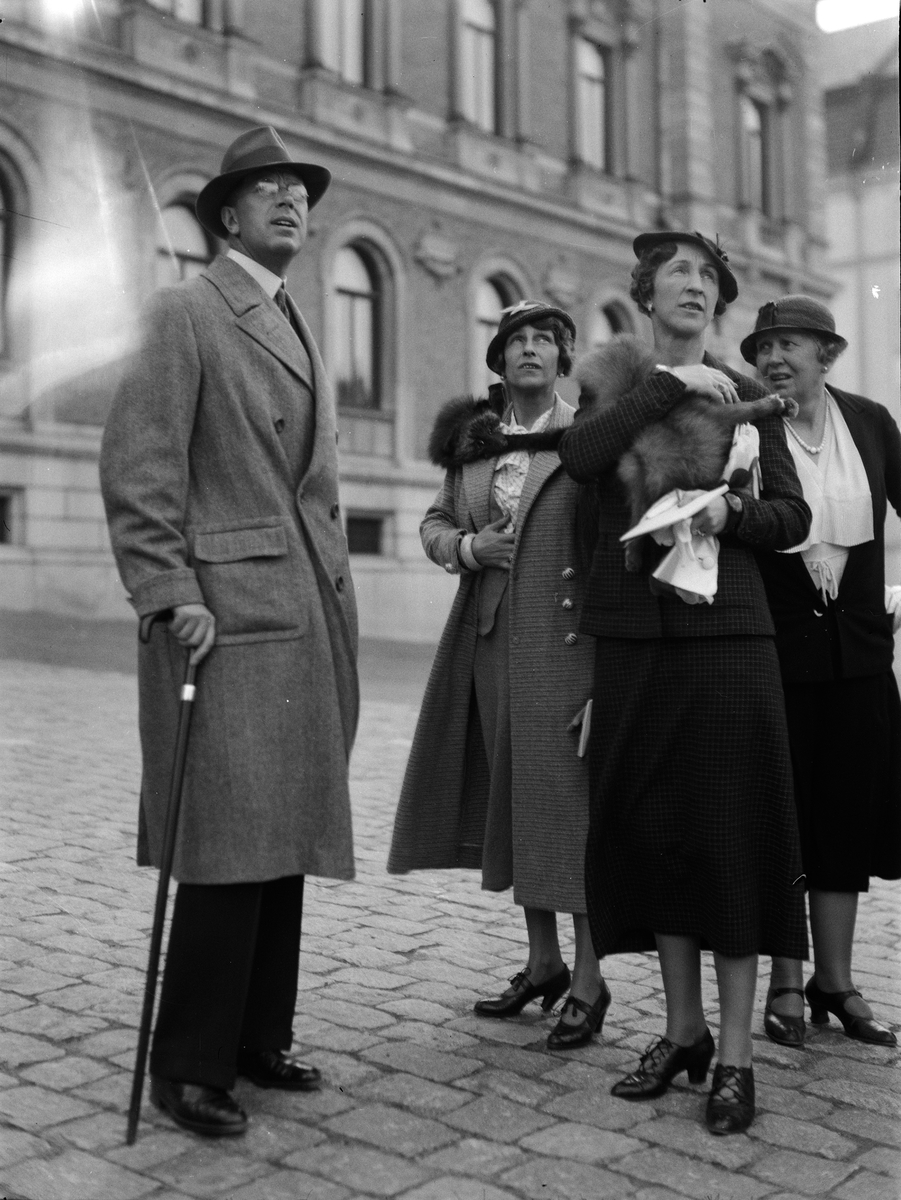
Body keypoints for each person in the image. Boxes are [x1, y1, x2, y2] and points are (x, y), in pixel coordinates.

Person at [100, 126, 358, 1137]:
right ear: (228, 216)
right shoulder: (186, 310)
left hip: (302, 613)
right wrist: (169, 590)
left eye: (300, 189)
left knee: (280, 834)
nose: (290, 200)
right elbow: (140, 467)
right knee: (227, 844)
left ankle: (258, 1037)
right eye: (268, 188)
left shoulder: (292, 317)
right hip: (226, 618)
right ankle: (188, 1066)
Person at [557, 233, 811, 1135]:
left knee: (729, 835)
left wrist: (727, 511)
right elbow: (580, 458)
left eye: (708, 277)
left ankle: (734, 1056)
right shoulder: (615, 388)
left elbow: (791, 516)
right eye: (678, 273)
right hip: (633, 641)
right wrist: (670, 386)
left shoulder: (750, 401)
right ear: (645, 293)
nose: (695, 285)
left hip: (727, 636)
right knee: (656, 829)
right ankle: (681, 1031)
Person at [389, 301, 608, 1049]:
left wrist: (607, 668)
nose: (530, 350)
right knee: (513, 802)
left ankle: (589, 980)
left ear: (563, 358)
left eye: (544, 340)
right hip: (490, 644)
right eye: (516, 340)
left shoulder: (588, 437)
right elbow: (433, 523)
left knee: (568, 811)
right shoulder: (475, 444)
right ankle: (543, 962)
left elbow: (612, 547)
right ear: (498, 359)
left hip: (568, 647)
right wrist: (468, 548)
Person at [740, 295, 900, 1048]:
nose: (773, 358)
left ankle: (833, 981)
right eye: (764, 346)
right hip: (772, 656)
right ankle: (783, 979)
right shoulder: (746, 428)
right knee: (782, 821)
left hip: (858, 660)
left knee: (844, 818)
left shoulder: (869, 422)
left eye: (790, 344)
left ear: (826, 355)